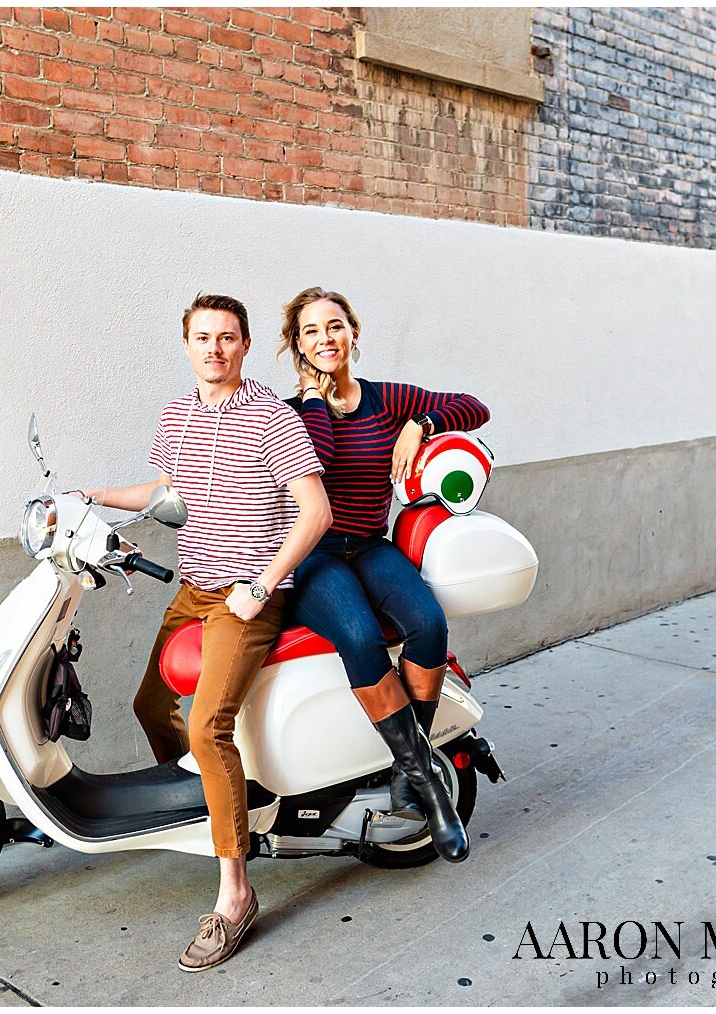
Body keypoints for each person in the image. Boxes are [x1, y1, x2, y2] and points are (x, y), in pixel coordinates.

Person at [87, 293, 330, 972]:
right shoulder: (177, 414)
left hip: (245, 598)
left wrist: (261, 585)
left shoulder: (272, 418)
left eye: (226, 337)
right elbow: (168, 492)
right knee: (146, 703)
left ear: (245, 346)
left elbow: (315, 510)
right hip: (192, 587)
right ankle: (204, 810)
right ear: (187, 345)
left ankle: (235, 892)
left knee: (208, 727)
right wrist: (94, 497)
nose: (214, 349)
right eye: (202, 338)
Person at [277, 286, 490, 863]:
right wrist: (315, 398)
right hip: (315, 554)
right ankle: (432, 792)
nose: (327, 339)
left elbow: (474, 406)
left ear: (354, 332)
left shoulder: (387, 397)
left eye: (336, 326)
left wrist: (418, 423)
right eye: (312, 331)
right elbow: (316, 461)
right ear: (297, 344)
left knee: (427, 624)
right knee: (363, 636)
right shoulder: (293, 412)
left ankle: (406, 771)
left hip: (369, 544)